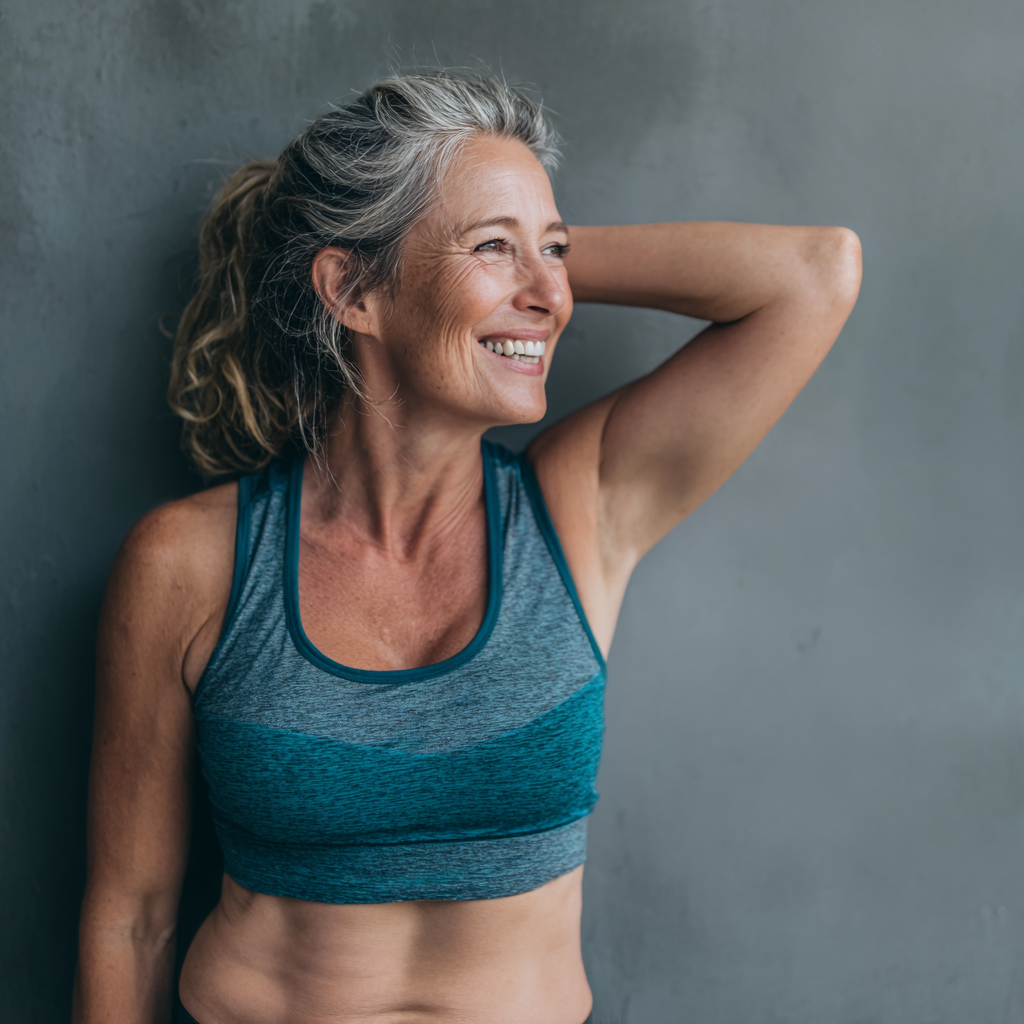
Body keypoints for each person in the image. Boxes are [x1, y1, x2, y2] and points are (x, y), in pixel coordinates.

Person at [73, 71, 861, 1024]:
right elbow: (133, 918)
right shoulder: (189, 562)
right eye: (494, 246)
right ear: (352, 289)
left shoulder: (579, 507)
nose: (552, 296)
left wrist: (520, 260)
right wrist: (425, 259)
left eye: (556, 252)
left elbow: (817, 272)